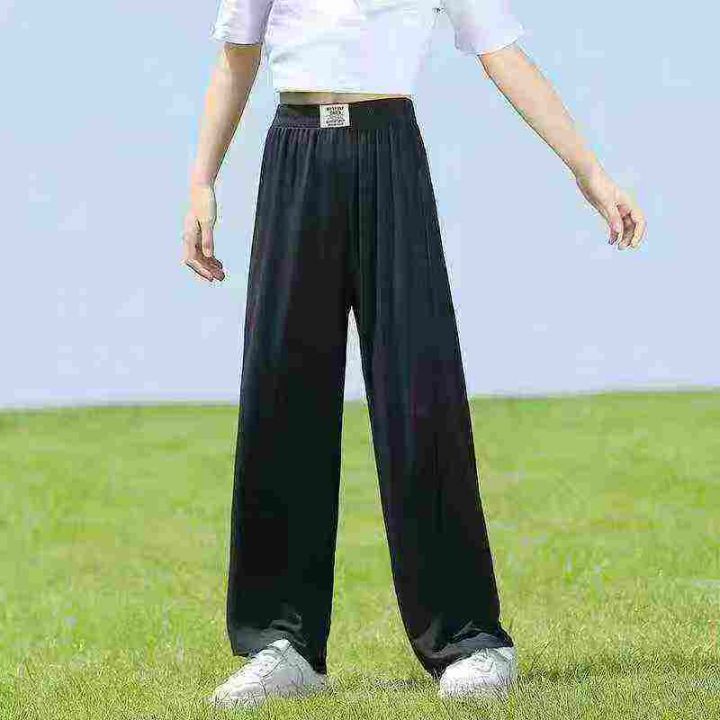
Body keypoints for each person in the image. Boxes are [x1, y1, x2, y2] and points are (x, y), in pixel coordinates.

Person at [182, 0, 646, 709]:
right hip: (294, 154)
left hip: (389, 151)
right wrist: (202, 182)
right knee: (282, 396)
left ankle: (468, 638)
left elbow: (502, 53)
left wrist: (590, 170)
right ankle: (282, 644)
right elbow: (236, 53)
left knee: (419, 393)